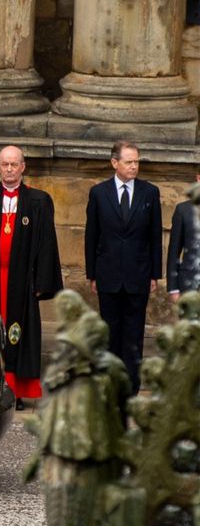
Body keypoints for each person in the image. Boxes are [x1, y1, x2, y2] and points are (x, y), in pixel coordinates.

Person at [0, 145, 63, 410]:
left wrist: (41, 282)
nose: (9, 169)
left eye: (14, 164)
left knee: (18, 334)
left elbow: (46, 245)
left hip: (21, 284)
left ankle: (15, 391)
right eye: (4, 164)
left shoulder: (38, 202)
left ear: (23, 167)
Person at [84, 140, 162, 394]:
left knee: (133, 333)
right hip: (108, 275)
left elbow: (154, 236)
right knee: (109, 332)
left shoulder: (149, 192)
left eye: (137, 161)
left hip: (138, 274)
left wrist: (155, 274)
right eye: (129, 162)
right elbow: (91, 235)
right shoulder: (99, 193)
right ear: (114, 163)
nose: (134, 166)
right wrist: (92, 273)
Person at [167, 167, 200, 301]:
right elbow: (174, 251)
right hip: (189, 285)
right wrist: (173, 287)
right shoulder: (183, 210)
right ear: (198, 178)